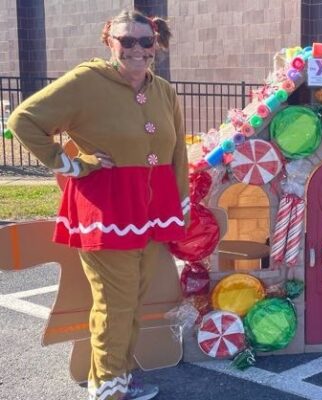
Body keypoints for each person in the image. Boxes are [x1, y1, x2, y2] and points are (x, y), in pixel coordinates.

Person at [7, 10, 189, 400]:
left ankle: (115, 376)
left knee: (131, 301)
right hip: (107, 211)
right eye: (127, 41)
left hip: (150, 211)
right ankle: (108, 389)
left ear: (155, 43)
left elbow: (177, 153)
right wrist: (70, 164)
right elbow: (24, 120)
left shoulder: (163, 90)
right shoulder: (86, 82)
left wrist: (181, 200)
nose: (137, 50)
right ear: (110, 41)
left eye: (145, 41)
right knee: (115, 303)